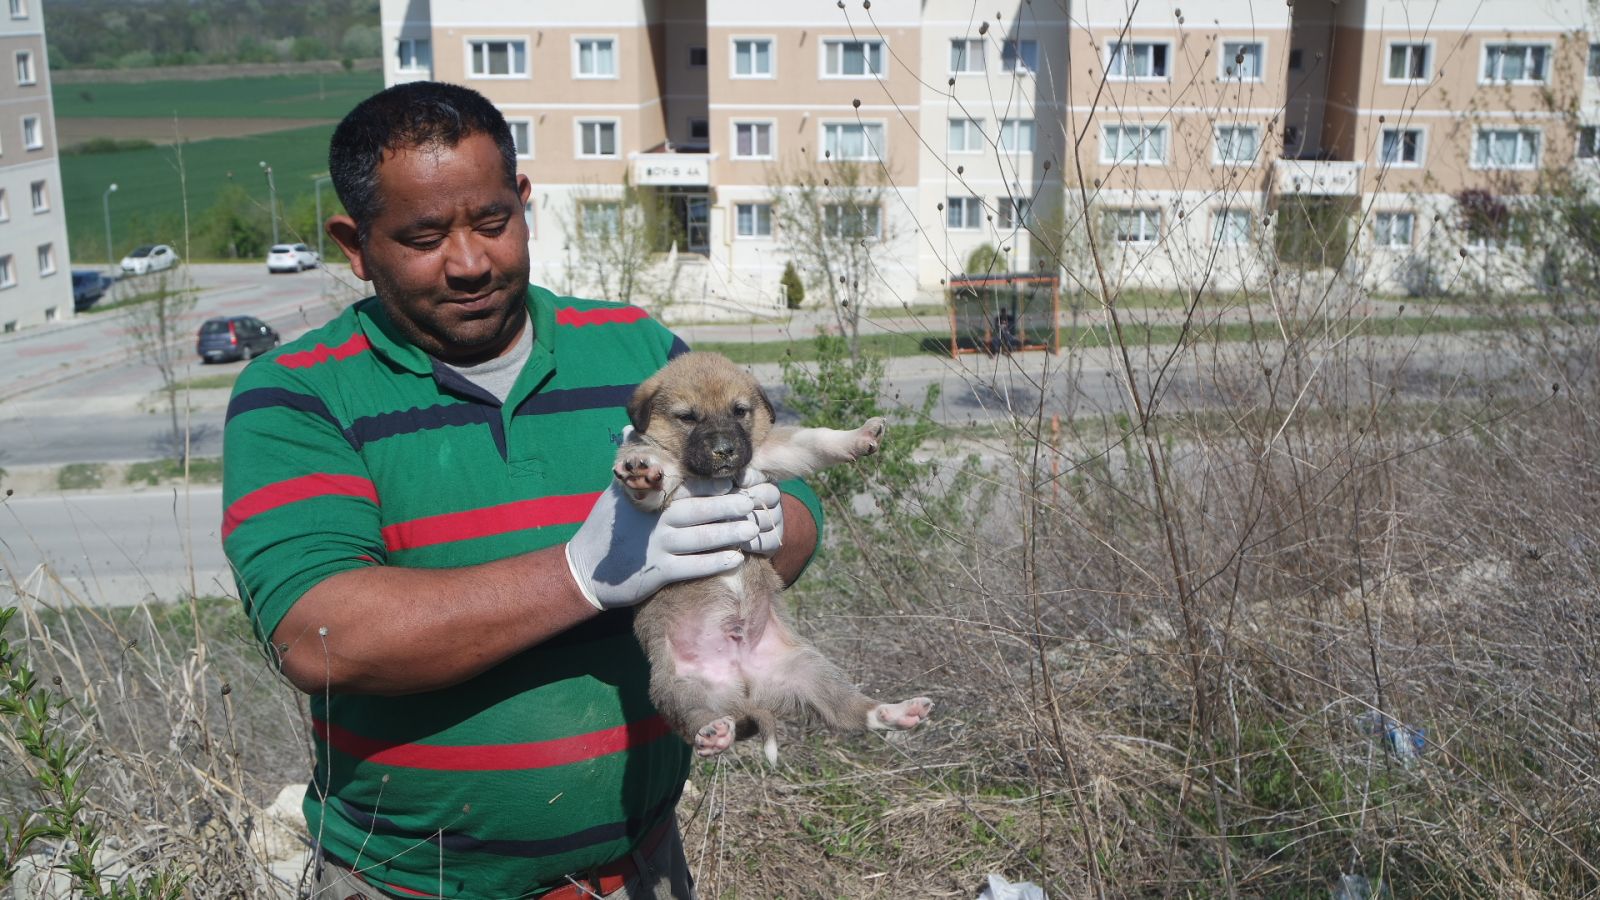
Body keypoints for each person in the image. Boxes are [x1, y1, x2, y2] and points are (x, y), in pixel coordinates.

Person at [220, 81, 824, 899]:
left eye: (493, 222)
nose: (470, 263)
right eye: (424, 236)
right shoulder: (297, 393)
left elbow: (796, 518)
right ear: (354, 244)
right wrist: (578, 575)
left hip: (637, 870)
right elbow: (322, 635)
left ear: (524, 202)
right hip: (411, 885)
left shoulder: (633, 348)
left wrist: (756, 524)